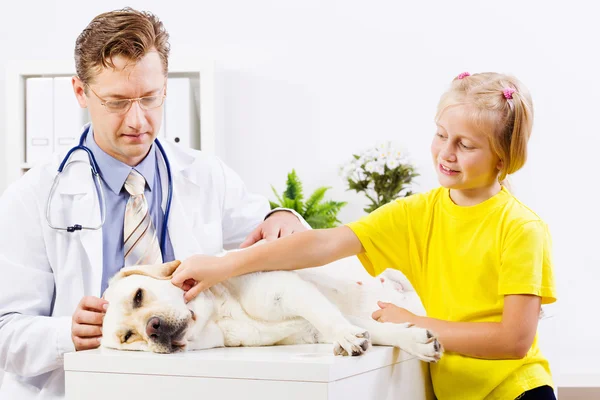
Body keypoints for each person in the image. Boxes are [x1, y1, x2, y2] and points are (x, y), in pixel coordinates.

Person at [171, 72, 557, 400]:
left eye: (466, 145)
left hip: (517, 392)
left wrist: (413, 323)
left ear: (504, 159)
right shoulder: (417, 212)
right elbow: (322, 243)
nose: (446, 152)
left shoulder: (521, 228)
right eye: (441, 135)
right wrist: (224, 266)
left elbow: (513, 341)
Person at [0, 8, 308, 400]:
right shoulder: (33, 196)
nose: (137, 120)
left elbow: (269, 243)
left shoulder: (204, 175)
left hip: (192, 386)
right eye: (116, 102)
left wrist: (281, 216)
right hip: (81, 389)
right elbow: (5, 330)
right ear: (80, 92)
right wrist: (66, 333)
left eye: (150, 97)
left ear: (165, 86)